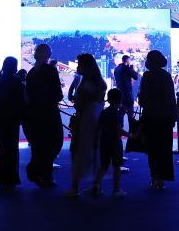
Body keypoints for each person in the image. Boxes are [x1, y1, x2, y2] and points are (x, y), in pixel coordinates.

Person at [65, 53, 106, 197]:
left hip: (85, 121)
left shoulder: (86, 84)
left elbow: (81, 105)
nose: (77, 67)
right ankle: (96, 185)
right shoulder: (99, 83)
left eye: (79, 64)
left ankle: (75, 187)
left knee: (77, 151)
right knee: (96, 152)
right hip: (95, 121)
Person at [24, 44, 63, 188]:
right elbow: (58, 94)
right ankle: (45, 175)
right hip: (49, 113)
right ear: (48, 55)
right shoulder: (50, 70)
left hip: (35, 115)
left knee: (39, 145)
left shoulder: (31, 73)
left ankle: (38, 172)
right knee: (52, 143)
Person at [137, 49, 176, 188]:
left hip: (151, 117)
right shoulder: (166, 76)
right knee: (165, 148)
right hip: (165, 117)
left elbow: (142, 100)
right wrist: (173, 116)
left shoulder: (147, 76)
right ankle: (162, 178)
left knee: (152, 148)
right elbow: (171, 97)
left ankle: (154, 176)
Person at [0, 57, 26, 188]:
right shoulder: (16, 82)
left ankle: (2, 176)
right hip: (12, 119)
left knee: (4, 147)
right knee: (11, 148)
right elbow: (22, 101)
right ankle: (9, 177)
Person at [91, 88, 128, 197]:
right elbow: (118, 129)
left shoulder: (104, 112)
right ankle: (116, 190)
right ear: (120, 100)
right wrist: (131, 135)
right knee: (116, 166)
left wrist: (95, 141)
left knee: (104, 165)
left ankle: (96, 185)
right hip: (115, 142)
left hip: (104, 141)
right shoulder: (117, 113)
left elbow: (98, 128)